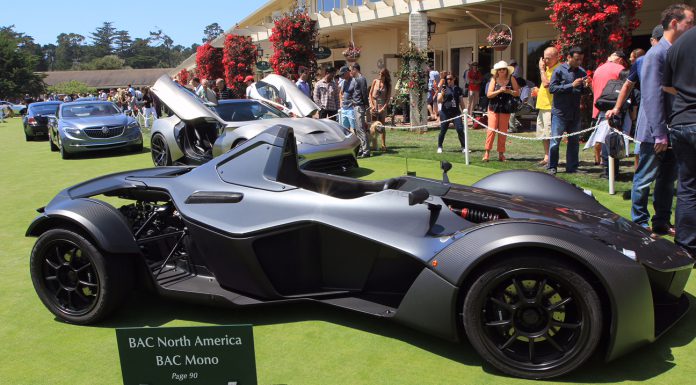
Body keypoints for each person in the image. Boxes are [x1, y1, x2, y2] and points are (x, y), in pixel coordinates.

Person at [630, 4, 693, 236]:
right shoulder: (656, 54)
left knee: (667, 180)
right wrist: (659, 133)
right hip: (655, 131)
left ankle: (661, 222)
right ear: (675, 23)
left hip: (671, 129)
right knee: (645, 178)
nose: (692, 27)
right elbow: (652, 95)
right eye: (689, 22)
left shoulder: (672, 51)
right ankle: (639, 223)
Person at [664, 17, 696, 256]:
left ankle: (686, 247)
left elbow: (668, 86)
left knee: (687, 187)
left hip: (681, 121)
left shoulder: (678, 45)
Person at [548, 46, 590, 175]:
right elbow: (552, 88)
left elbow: (581, 92)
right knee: (555, 141)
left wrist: (586, 87)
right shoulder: (559, 70)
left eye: (581, 60)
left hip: (575, 112)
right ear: (569, 57)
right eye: (577, 59)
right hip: (560, 112)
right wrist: (571, 85)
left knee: (574, 141)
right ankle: (552, 167)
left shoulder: (582, 72)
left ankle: (572, 167)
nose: (579, 62)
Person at [592, 51, 628, 176]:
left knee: (603, 140)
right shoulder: (620, 69)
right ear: (620, 60)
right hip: (614, 109)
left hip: (600, 108)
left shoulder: (598, 69)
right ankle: (611, 173)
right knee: (613, 141)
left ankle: (608, 170)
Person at [483, 61, 520, 162]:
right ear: (497, 71)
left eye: (504, 69)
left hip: (505, 107)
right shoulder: (493, 79)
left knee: (503, 131)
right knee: (491, 130)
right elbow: (489, 94)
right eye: (499, 69)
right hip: (493, 107)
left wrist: (510, 91)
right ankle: (487, 153)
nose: (502, 71)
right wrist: (499, 90)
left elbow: (517, 93)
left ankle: (501, 154)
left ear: (507, 70)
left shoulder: (511, 79)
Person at [535, 47, 561, 166]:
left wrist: (541, 70)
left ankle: (552, 158)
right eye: (544, 58)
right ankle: (546, 157)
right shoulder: (548, 69)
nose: (545, 61)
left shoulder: (557, 69)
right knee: (543, 134)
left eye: (548, 59)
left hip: (551, 107)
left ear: (557, 57)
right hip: (542, 106)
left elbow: (546, 84)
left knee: (550, 134)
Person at [436, 74, 466, 154]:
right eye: (447, 79)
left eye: (450, 79)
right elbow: (438, 100)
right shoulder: (444, 88)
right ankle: (439, 146)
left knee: (460, 129)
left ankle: (464, 147)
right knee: (443, 130)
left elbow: (461, 102)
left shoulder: (458, 89)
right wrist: (442, 94)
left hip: (456, 112)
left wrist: (465, 111)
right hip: (445, 112)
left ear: (454, 79)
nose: (448, 80)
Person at [350, 63, 371, 158]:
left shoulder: (361, 79)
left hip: (359, 106)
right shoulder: (356, 79)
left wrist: (366, 105)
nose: (351, 72)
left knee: (361, 128)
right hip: (356, 106)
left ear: (355, 69)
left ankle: (366, 151)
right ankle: (362, 149)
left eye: (351, 70)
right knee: (358, 129)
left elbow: (364, 92)